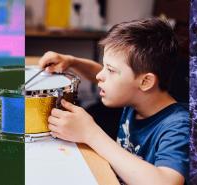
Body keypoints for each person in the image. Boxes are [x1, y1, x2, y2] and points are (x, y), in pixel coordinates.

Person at [39, 18, 189, 185]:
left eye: (110, 70)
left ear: (146, 82)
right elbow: (101, 75)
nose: (99, 76)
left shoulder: (178, 126)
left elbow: (167, 182)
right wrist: (72, 61)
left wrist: (91, 134)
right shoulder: (136, 95)